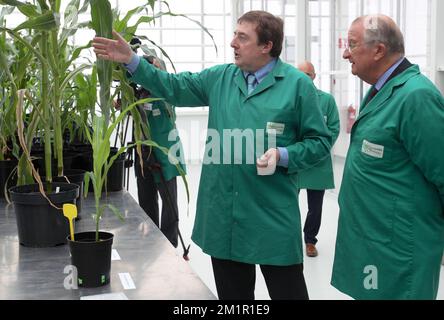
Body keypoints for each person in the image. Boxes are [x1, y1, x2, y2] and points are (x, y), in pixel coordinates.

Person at [93, 10, 332, 300]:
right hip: (224, 216)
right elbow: (173, 87)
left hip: (271, 216)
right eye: (234, 35)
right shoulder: (221, 77)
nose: (233, 43)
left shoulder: (297, 86)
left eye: (242, 37)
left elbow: (319, 141)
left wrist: (283, 154)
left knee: (289, 292)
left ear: (266, 46)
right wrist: (132, 61)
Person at [331, 14, 444, 300]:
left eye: (353, 45)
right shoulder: (382, 90)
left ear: (379, 50)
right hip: (374, 241)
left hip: (400, 248)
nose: (345, 53)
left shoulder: (416, 97)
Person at [118, 38, 186, 248]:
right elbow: (122, 107)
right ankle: (150, 240)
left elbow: (162, 83)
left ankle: (170, 244)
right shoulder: (137, 96)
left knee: (169, 204)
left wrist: (153, 65)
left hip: (166, 152)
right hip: (143, 152)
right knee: (146, 200)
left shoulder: (163, 93)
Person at [297, 61, 340, 258]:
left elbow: (333, 129)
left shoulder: (327, 101)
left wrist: (315, 150)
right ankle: (288, 239)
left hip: (318, 162)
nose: (304, 78)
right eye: (300, 74)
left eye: (307, 74)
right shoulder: (291, 99)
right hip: (295, 161)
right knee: (286, 202)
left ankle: (310, 241)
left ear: (314, 76)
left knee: (315, 207)